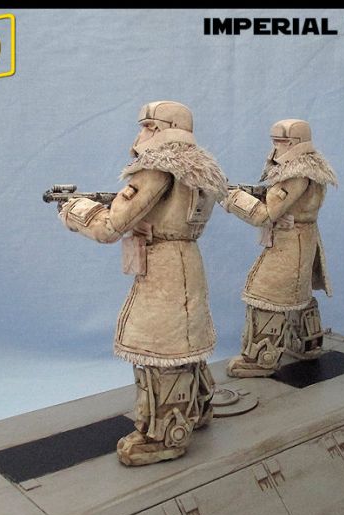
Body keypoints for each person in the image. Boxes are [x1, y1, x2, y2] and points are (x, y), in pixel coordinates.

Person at [57, 101, 227, 466]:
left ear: (166, 129)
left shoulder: (156, 169)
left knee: (157, 351)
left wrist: (74, 210)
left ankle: (164, 435)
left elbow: (109, 228)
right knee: (183, 345)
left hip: (163, 267)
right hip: (186, 260)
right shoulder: (200, 167)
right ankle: (196, 408)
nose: (142, 134)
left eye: (149, 126)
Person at [220, 119, 337, 377]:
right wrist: (249, 191)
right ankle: (306, 342)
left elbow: (264, 215)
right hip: (300, 241)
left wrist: (229, 196)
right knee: (297, 294)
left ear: (295, 143)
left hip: (290, 244)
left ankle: (261, 358)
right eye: (275, 141)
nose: (275, 147)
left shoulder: (296, 174)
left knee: (266, 297)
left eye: (281, 142)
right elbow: (275, 196)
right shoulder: (306, 169)